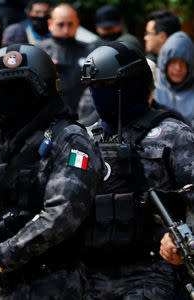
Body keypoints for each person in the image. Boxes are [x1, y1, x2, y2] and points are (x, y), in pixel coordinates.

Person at [0, 44, 104, 299]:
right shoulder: (4, 140)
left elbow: (61, 216)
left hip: (51, 286)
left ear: (24, 90)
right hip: (3, 286)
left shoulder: (70, 140)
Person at [80, 41, 194, 299]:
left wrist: (179, 241)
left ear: (133, 84)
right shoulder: (83, 139)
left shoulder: (174, 135)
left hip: (153, 273)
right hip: (90, 276)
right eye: (95, 87)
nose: (99, 93)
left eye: (108, 85)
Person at [36, 3, 95, 114]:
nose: (66, 30)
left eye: (70, 24)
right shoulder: (38, 52)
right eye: (60, 24)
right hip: (49, 119)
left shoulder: (90, 52)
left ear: (77, 23)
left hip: (83, 118)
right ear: (50, 24)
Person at [155, 31, 194, 128]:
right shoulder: (153, 85)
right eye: (173, 62)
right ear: (165, 63)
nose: (178, 68)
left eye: (183, 63)